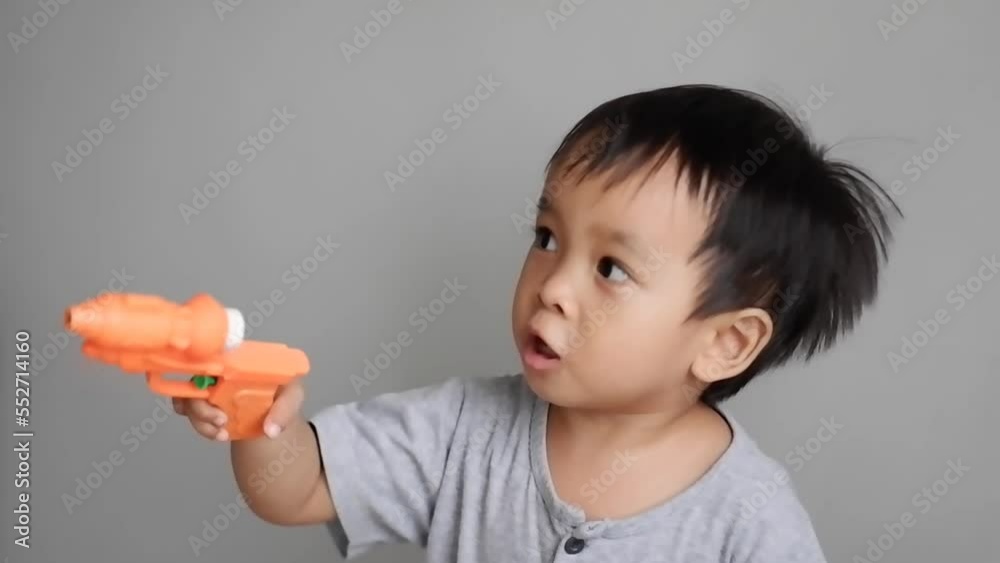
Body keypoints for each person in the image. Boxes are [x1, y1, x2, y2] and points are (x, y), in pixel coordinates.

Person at [174, 84, 899, 562]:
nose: (552, 286)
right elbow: (296, 490)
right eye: (547, 237)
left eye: (611, 268)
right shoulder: (463, 430)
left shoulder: (748, 518)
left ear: (724, 342)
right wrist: (256, 418)